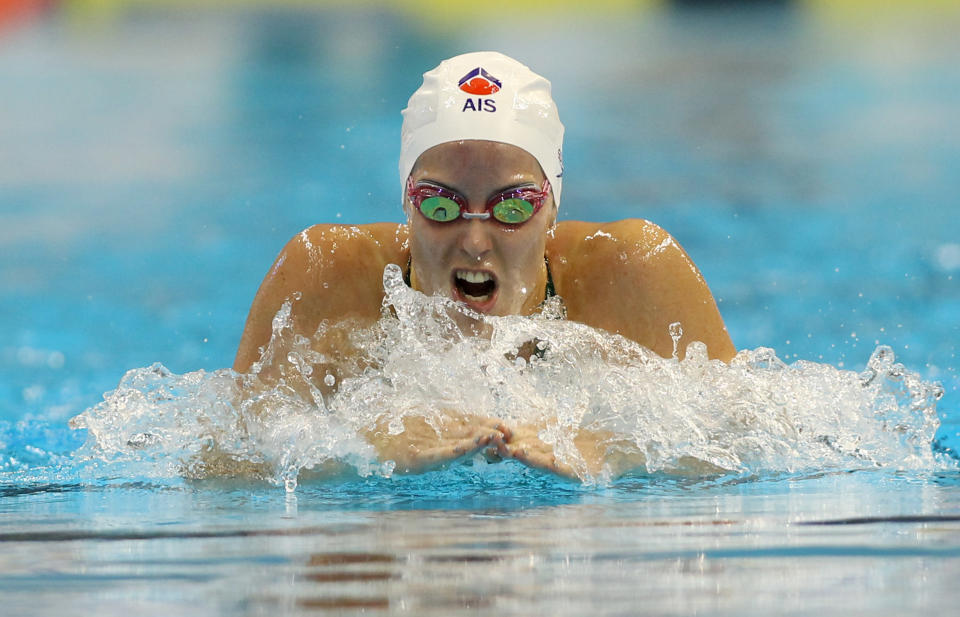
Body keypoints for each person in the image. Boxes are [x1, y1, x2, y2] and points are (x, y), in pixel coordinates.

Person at [233, 52, 735, 479]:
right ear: (406, 204)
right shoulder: (326, 272)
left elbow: (757, 435)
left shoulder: (632, 269)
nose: (475, 241)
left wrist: (614, 448)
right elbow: (221, 462)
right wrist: (360, 448)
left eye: (512, 207)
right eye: (441, 205)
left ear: (552, 208)